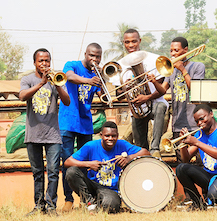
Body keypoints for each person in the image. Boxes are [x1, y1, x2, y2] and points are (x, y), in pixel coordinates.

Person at [19, 48, 70, 216]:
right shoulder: (28, 79)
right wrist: (41, 83)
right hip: (33, 133)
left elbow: (67, 101)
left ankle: (51, 207)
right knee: (38, 173)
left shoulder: (56, 79)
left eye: (47, 60)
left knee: (54, 172)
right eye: (41, 61)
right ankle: (38, 206)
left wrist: (58, 85)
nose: (44, 64)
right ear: (34, 63)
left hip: (53, 134)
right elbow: (22, 96)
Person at [64, 121, 150, 213]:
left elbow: (146, 153)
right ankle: (89, 202)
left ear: (117, 135)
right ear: (101, 135)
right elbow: (67, 162)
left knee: (111, 206)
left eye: (113, 136)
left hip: (111, 190)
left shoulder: (122, 144)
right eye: (107, 136)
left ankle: (98, 204)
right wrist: (89, 164)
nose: (110, 139)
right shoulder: (91, 146)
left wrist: (129, 158)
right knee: (71, 172)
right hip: (92, 185)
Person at [59, 43, 104, 212]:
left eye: (98, 56)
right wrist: (88, 80)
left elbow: (103, 95)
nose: (94, 59)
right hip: (68, 123)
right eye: (91, 55)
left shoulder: (97, 74)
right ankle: (68, 200)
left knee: (86, 163)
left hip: (86, 124)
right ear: (85, 54)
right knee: (68, 163)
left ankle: (85, 200)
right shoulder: (72, 65)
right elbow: (69, 77)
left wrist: (103, 86)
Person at [115, 29, 168, 158]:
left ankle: (155, 148)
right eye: (127, 42)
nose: (131, 45)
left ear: (139, 41)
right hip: (137, 109)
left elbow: (161, 89)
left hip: (155, 105)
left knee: (160, 106)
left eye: (134, 41)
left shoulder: (154, 59)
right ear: (124, 43)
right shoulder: (119, 65)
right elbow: (119, 95)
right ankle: (142, 156)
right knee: (140, 146)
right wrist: (126, 88)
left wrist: (147, 97)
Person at [151, 37, 205, 163]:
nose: (173, 54)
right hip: (178, 124)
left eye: (176, 50)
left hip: (195, 123)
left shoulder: (198, 66)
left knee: (200, 162)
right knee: (182, 163)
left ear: (185, 50)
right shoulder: (171, 70)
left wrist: (183, 70)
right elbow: (163, 90)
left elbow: (195, 90)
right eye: (171, 51)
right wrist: (154, 81)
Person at [176, 104, 217, 210]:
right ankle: (198, 203)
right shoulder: (200, 134)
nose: (199, 123)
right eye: (197, 121)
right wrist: (183, 144)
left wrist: (197, 142)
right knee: (181, 168)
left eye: (202, 119)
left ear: (211, 114)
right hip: (209, 175)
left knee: (214, 195)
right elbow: (186, 159)